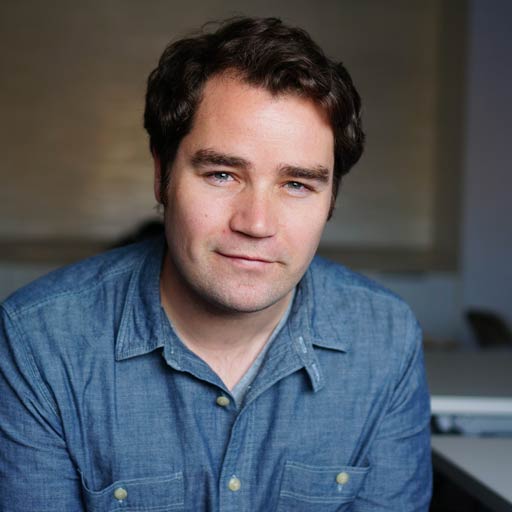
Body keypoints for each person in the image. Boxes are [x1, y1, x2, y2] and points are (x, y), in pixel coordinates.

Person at [0, 17, 432, 511]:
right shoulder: (40, 341)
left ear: (331, 198)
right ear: (162, 174)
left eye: (297, 184)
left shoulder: (387, 339)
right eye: (222, 174)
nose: (257, 223)